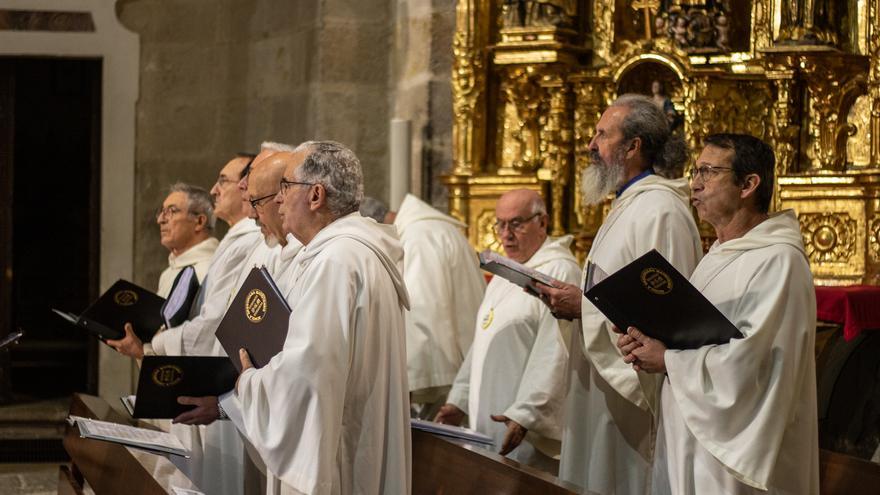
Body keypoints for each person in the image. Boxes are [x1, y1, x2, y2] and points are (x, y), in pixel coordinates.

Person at [616, 134, 819, 494]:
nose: (694, 183)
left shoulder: (778, 260)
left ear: (748, 184)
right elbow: (695, 334)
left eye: (708, 172)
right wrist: (648, 338)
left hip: (736, 451)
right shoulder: (719, 253)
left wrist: (667, 359)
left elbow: (751, 365)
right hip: (692, 431)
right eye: (695, 171)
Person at [535, 94, 702, 494]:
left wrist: (585, 306)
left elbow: (670, 315)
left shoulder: (661, 210)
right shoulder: (630, 205)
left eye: (602, 135)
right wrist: (580, 304)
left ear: (633, 146)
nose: (590, 145)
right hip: (601, 391)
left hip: (632, 403)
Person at [232, 140, 411, 494]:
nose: (278, 199)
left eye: (285, 187)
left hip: (337, 459)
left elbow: (306, 377)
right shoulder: (355, 253)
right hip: (356, 446)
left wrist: (249, 382)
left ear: (315, 195)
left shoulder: (335, 262)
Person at [108, 153, 262, 495]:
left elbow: (211, 326)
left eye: (172, 211)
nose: (216, 189)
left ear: (199, 222)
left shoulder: (235, 248)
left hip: (213, 386)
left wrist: (150, 348)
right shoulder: (226, 246)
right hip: (189, 382)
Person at [435, 189, 580, 473]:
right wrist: (459, 400)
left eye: (516, 223)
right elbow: (483, 340)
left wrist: (526, 414)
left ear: (542, 222)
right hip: (487, 422)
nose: (505, 234)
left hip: (523, 428)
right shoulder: (505, 274)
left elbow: (556, 351)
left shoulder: (559, 272)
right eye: (499, 224)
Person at [360, 194, 485, 420]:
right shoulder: (425, 229)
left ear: (372, 227)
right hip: (460, 368)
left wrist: (406, 386)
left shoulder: (419, 237)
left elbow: (422, 314)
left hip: (448, 379)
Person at [155, 183, 218, 297]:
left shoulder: (212, 270)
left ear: (199, 222)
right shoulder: (167, 274)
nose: (160, 220)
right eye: (162, 211)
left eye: (172, 211)